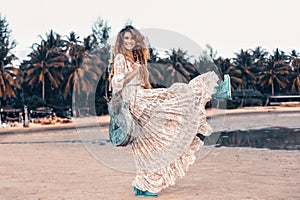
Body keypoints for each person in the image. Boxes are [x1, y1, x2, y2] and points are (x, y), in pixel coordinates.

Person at [109, 25, 231, 197]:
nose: (129, 41)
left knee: (147, 145)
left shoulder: (136, 61)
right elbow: (116, 84)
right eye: (125, 38)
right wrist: (133, 73)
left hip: (141, 100)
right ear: (121, 41)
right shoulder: (121, 58)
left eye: (132, 38)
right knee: (176, 98)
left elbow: (143, 84)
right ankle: (216, 89)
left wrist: (139, 72)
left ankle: (142, 185)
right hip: (135, 102)